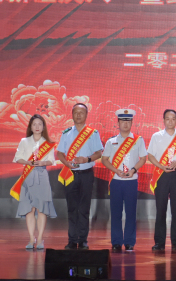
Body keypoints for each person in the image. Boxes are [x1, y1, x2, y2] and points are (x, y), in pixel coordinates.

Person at [56, 103, 104, 250]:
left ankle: (82, 240)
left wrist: (87, 159)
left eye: (81, 112)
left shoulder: (93, 133)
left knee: (84, 208)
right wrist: (66, 163)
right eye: (76, 112)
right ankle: (72, 240)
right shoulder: (66, 133)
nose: (78, 115)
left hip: (86, 174)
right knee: (72, 208)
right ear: (72, 114)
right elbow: (60, 153)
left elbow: (99, 153)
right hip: (70, 174)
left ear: (86, 115)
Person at [101, 108, 148, 252]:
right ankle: (116, 242)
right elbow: (104, 159)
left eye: (128, 121)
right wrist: (116, 170)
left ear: (132, 122)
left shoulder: (138, 140)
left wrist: (133, 170)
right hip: (116, 181)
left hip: (131, 181)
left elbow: (143, 158)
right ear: (118, 122)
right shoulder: (111, 141)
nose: (125, 124)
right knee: (115, 213)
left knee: (131, 213)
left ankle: (129, 242)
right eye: (123, 121)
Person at [11, 114, 58, 250]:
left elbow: (52, 160)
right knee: (29, 209)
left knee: (42, 209)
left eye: (40, 124)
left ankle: (41, 238)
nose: (37, 127)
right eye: (34, 124)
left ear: (43, 127)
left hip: (42, 176)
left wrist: (43, 162)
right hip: (28, 176)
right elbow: (17, 158)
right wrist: (28, 162)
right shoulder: (24, 141)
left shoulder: (48, 143)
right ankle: (32, 238)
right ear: (30, 127)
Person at [148, 109, 176, 251]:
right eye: (167, 118)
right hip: (161, 174)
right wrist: (161, 166)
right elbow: (150, 156)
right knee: (160, 208)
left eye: (173, 119)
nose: (170, 121)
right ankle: (159, 241)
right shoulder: (156, 136)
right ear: (163, 120)